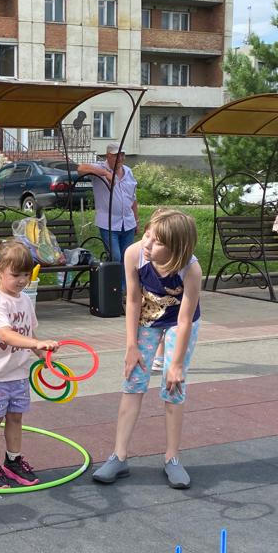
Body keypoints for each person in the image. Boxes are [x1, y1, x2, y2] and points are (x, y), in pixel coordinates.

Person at [92, 208, 201, 490]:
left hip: (179, 322)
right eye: (147, 235)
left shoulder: (190, 269)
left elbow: (184, 320)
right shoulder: (134, 253)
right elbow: (132, 301)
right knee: (133, 380)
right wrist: (131, 346)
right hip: (147, 318)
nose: (148, 244)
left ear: (177, 247)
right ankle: (119, 456)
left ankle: (172, 458)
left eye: (158, 242)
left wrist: (176, 364)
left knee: (173, 386)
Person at [0, 239, 58, 488]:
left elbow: (29, 332)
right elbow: (6, 335)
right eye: (15, 274)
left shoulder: (25, 300)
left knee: (15, 418)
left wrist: (43, 355)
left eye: (26, 274)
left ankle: (13, 461)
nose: (22, 280)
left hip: (17, 374)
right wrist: (36, 344)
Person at [77, 143, 139, 271]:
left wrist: (136, 220)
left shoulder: (128, 171)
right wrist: (105, 173)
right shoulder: (100, 168)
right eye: (116, 155)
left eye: (122, 155)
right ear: (108, 156)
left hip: (128, 222)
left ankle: (123, 284)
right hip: (108, 223)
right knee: (115, 257)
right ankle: (110, 281)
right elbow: (81, 168)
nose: (120, 158)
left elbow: (132, 199)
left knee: (127, 258)